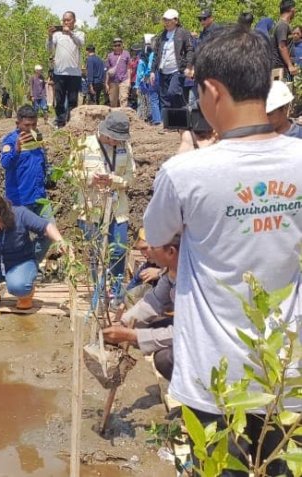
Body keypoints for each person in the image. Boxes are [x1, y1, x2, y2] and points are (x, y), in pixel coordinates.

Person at [144, 26, 301, 474]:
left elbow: (156, 236)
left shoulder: (186, 173)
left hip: (217, 378)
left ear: (212, 90)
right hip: (287, 371)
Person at [77, 111, 136, 308]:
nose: (117, 142)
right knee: (95, 251)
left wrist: (115, 180)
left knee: (118, 248)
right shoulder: (85, 145)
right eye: (114, 139)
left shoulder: (125, 147)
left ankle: (116, 290)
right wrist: (90, 179)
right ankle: (99, 289)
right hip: (91, 208)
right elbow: (70, 173)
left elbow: (131, 176)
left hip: (117, 207)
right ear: (106, 133)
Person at [0, 195, 67, 312]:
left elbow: (46, 226)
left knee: (18, 286)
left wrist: (61, 242)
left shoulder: (20, 214)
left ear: (4, 215)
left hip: (22, 262)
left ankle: (26, 295)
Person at [102, 234, 179, 381]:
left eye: (151, 248)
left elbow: (187, 334)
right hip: (188, 328)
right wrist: (123, 322)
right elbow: (154, 301)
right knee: (149, 326)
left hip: (210, 341)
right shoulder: (172, 271)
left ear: (171, 251)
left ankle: (199, 397)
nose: (147, 253)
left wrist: (134, 336)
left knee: (164, 359)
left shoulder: (195, 280)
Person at [0, 105, 51, 264]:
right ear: (17, 123)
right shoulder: (9, 140)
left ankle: (30, 264)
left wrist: (50, 173)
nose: (31, 129)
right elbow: (5, 164)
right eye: (27, 125)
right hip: (20, 201)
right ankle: (22, 268)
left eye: (34, 125)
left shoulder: (37, 138)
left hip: (40, 197)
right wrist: (17, 150)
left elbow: (43, 160)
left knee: (50, 233)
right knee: (19, 239)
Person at [47, 11, 85, 127]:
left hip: (74, 73)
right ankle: (60, 122)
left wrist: (71, 34)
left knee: (73, 100)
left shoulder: (80, 33)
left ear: (74, 20)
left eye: (68, 20)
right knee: (59, 99)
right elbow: (49, 49)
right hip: (59, 72)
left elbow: (81, 44)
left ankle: (71, 123)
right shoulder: (57, 35)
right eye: (64, 20)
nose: (66, 22)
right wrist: (49, 36)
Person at [152, 9, 194, 111]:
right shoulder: (162, 35)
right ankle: (168, 124)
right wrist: (153, 71)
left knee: (173, 92)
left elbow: (190, 50)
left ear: (176, 20)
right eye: (165, 20)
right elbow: (156, 54)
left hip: (177, 70)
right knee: (164, 98)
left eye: (169, 20)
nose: (166, 22)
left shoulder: (183, 33)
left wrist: (189, 67)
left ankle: (183, 112)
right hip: (163, 70)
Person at [124, 228, 162, 307]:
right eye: (141, 250)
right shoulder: (149, 265)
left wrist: (159, 273)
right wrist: (121, 303)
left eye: (145, 248)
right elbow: (134, 282)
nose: (143, 254)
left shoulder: (174, 260)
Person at [272, 0, 299, 80]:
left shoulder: (284, 25)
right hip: (281, 68)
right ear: (292, 9)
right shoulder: (282, 25)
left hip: (284, 67)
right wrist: (290, 65)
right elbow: (282, 46)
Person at [106, 38, 132, 108]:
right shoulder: (110, 55)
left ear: (122, 45)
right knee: (113, 101)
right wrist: (106, 83)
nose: (117, 47)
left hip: (124, 80)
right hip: (113, 81)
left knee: (123, 99)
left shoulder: (126, 54)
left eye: (119, 45)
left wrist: (129, 81)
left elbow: (129, 68)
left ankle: (123, 116)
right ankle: (114, 117)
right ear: (113, 46)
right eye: (115, 45)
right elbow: (108, 70)